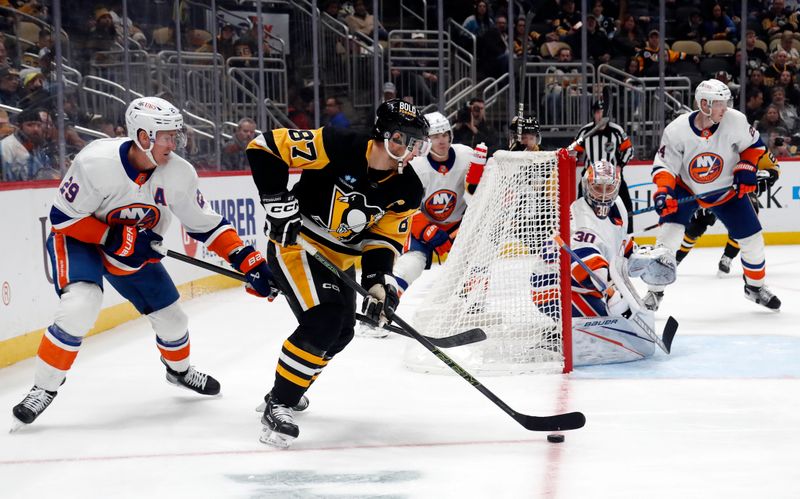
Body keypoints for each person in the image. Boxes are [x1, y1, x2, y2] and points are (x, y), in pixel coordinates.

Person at [10, 97, 279, 430]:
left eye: (175, 135)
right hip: (79, 240)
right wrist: (114, 238)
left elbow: (206, 224)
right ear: (143, 136)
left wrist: (250, 263)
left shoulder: (179, 173)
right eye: (167, 136)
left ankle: (178, 372)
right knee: (82, 303)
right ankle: (44, 387)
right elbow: (62, 217)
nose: (175, 143)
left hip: (133, 248)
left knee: (173, 319)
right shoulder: (96, 162)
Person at [244, 99, 429, 448]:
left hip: (340, 261)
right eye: (402, 140)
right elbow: (264, 146)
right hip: (296, 245)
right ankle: (279, 402)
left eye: (414, 144)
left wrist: (377, 285)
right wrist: (276, 200)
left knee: (341, 332)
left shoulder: (408, 188)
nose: (409, 150)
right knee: (325, 320)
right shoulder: (337, 144)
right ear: (382, 134)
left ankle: (290, 386)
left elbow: (383, 240)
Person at [643, 79, 781, 312]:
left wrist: (746, 167)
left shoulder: (735, 120)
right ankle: (654, 292)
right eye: (719, 103)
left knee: (753, 239)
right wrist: (664, 192)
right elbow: (665, 166)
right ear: (704, 104)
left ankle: (754, 288)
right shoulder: (677, 130)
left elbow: (755, 145)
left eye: (726, 102)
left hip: (726, 190)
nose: (725, 107)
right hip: (687, 187)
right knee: (669, 237)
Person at [358, 111, 486, 338]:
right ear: (426, 140)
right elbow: (404, 204)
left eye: (446, 134)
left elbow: (475, 198)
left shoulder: (466, 155)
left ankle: (474, 309)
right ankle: (379, 310)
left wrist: (476, 179)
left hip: (459, 226)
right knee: (411, 264)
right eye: (436, 136)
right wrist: (426, 228)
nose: (443, 140)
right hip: (422, 224)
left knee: (477, 257)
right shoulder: (415, 164)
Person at [532, 159, 675, 363]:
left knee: (615, 319)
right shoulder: (582, 219)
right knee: (608, 325)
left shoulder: (618, 208)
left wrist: (645, 260)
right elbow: (589, 271)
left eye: (610, 188)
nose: (604, 194)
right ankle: (556, 337)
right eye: (598, 187)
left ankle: (568, 325)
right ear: (587, 186)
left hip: (580, 283)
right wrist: (610, 294)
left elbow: (618, 249)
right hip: (552, 285)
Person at [674, 150, 780, 275]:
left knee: (745, 222)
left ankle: (727, 257)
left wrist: (768, 175)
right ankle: (676, 258)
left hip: (741, 193)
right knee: (698, 223)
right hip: (714, 189)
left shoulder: (753, 142)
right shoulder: (714, 140)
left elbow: (773, 167)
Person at [573, 100, 634, 223]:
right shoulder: (585, 131)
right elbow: (575, 152)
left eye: (602, 112)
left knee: (625, 209)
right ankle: (580, 234)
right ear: (593, 114)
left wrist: (620, 166)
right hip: (590, 179)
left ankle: (628, 238)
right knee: (581, 209)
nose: (600, 115)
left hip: (613, 179)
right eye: (597, 112)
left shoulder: (616, 131)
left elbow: (629, 149)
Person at [0, 107, 49, 181]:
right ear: (19, 126)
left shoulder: (38, 147)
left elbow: (47, 172)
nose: (36, 129)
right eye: (30, 125)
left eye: (38, 125)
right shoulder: (6, 146)